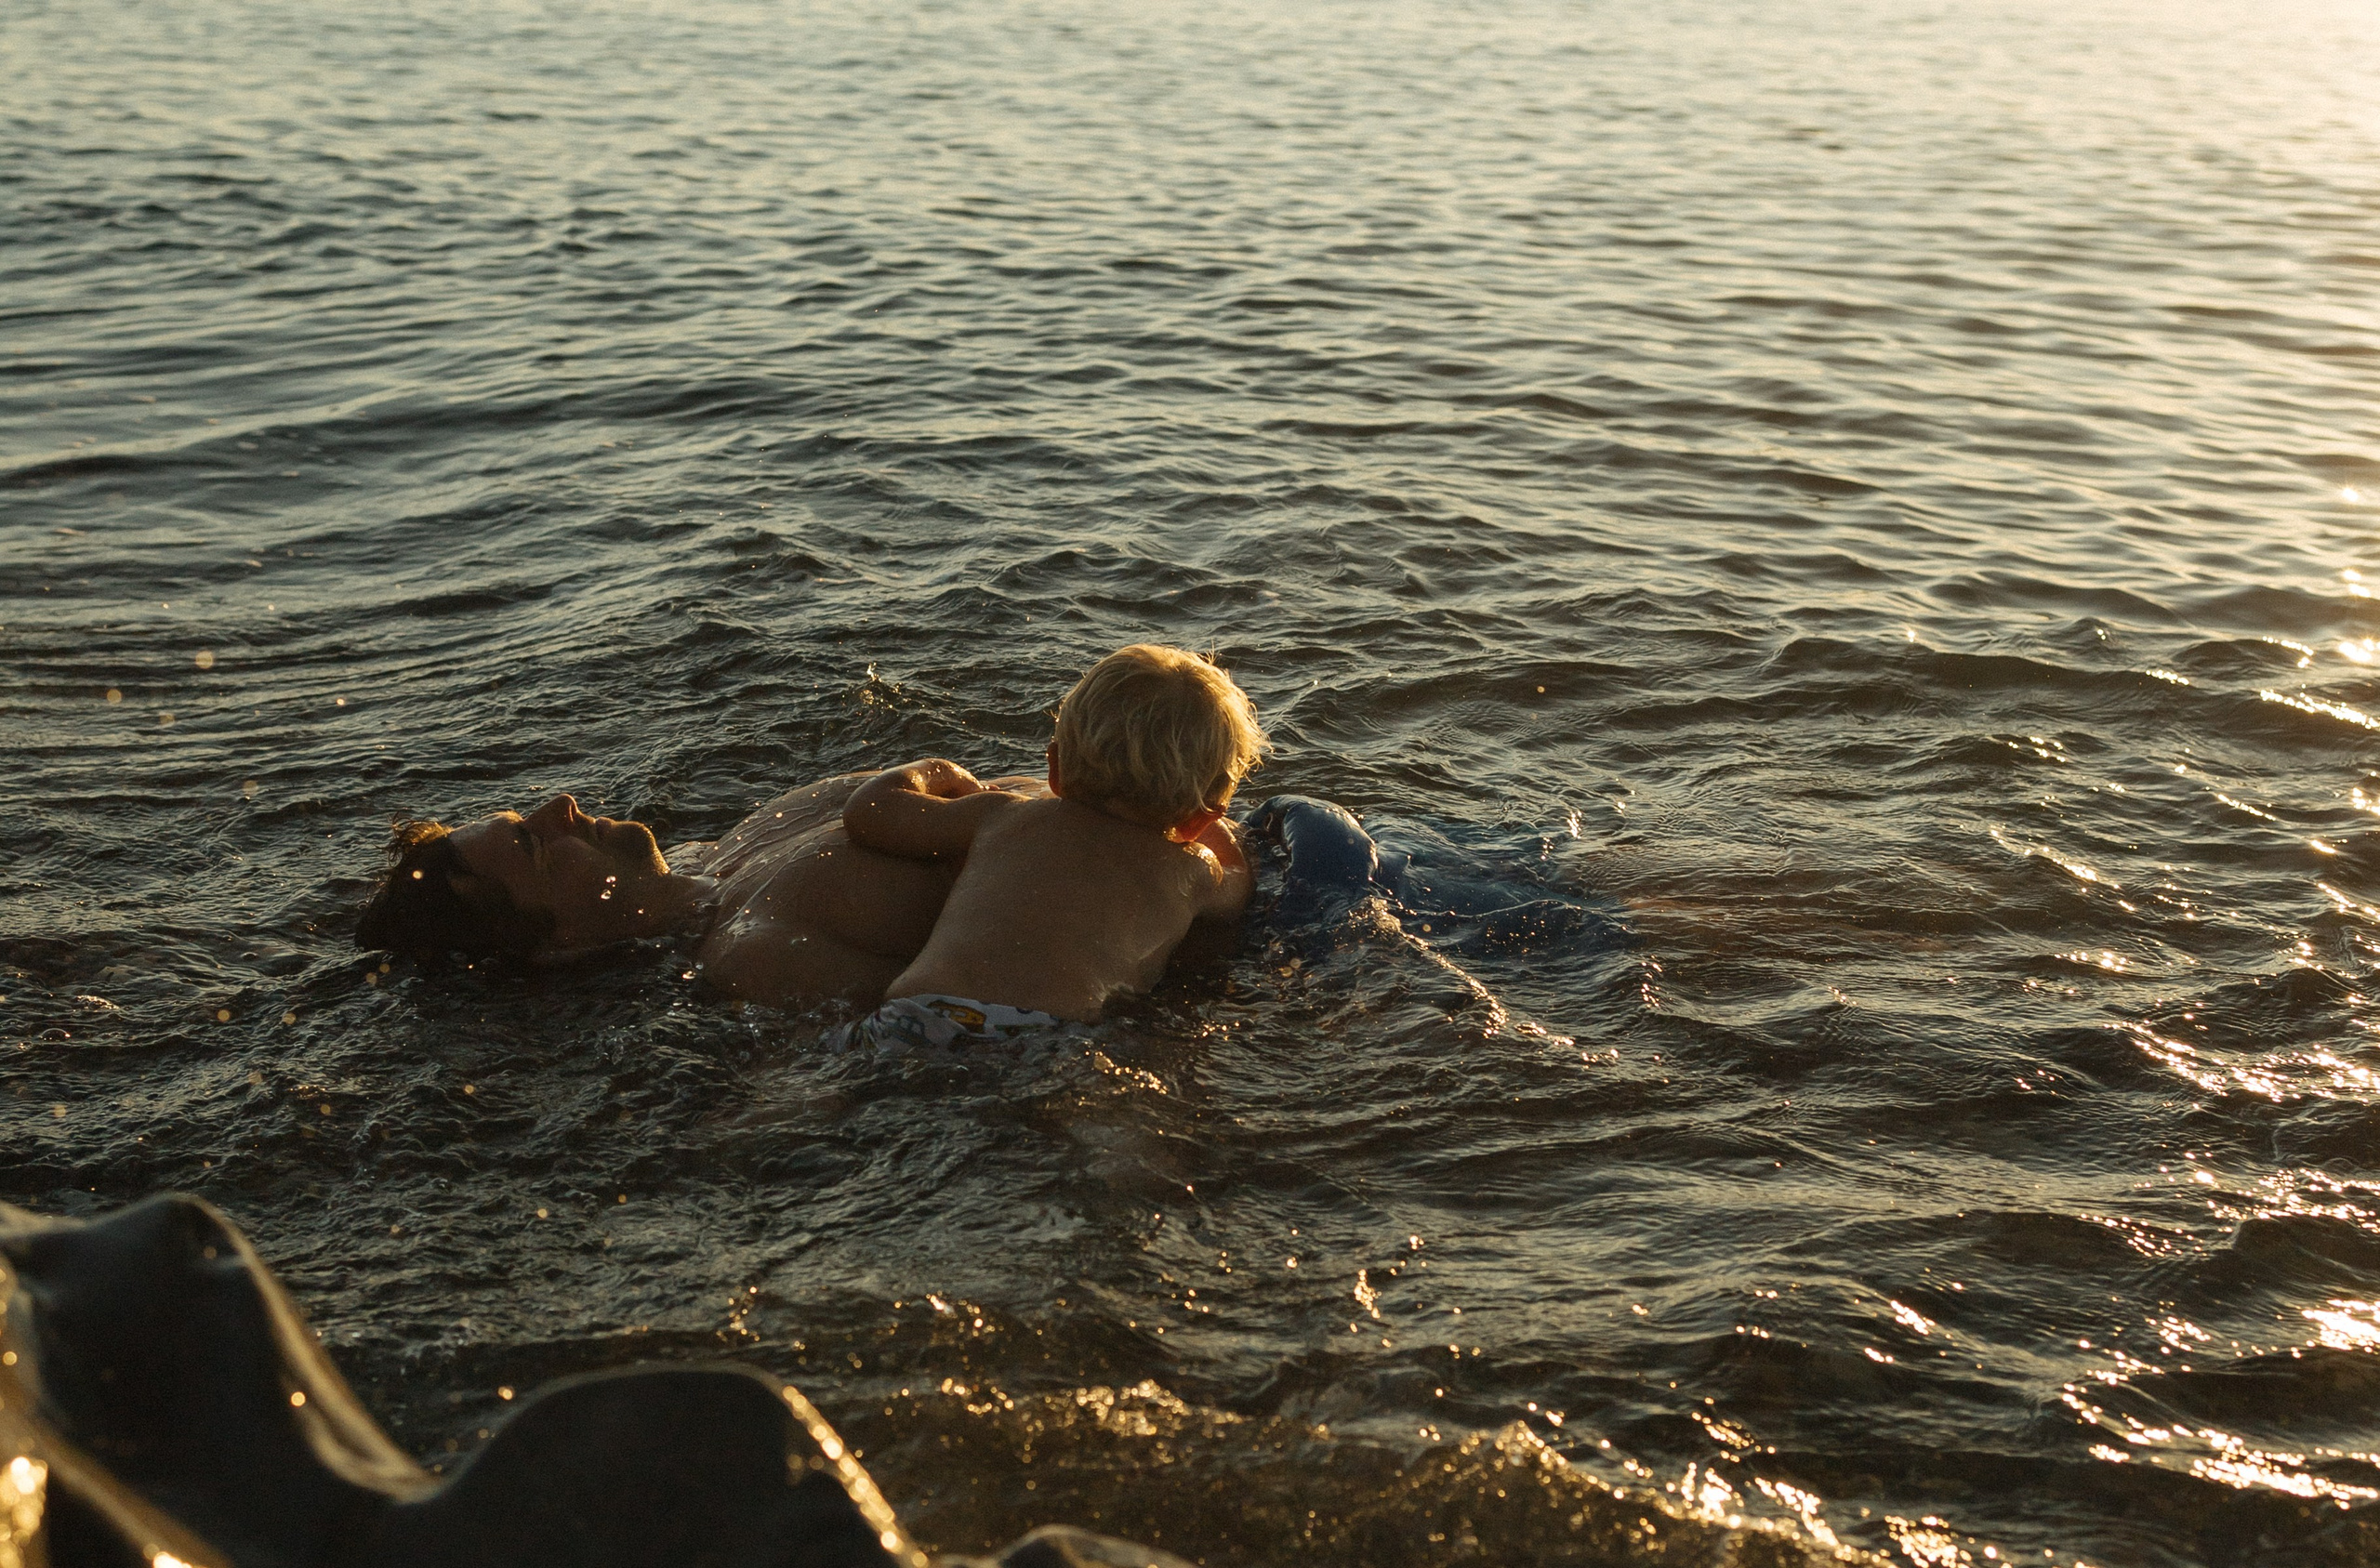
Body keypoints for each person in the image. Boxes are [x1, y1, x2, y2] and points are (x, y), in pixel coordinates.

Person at [831, 644, 1265, 1048]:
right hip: (1051, 1036)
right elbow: (1239, 883)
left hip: (919, 1013)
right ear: (1204, 815)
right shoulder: (1194, 871)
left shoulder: (1005, 815)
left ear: (1054, 768)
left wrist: (934, 770)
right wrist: (1215, 827)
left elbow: (872, 811)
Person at [352, 771, 1046, 1007]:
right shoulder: (757, 956)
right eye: (532, 842)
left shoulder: (735, 846)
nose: (559, 803)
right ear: (557, 945)